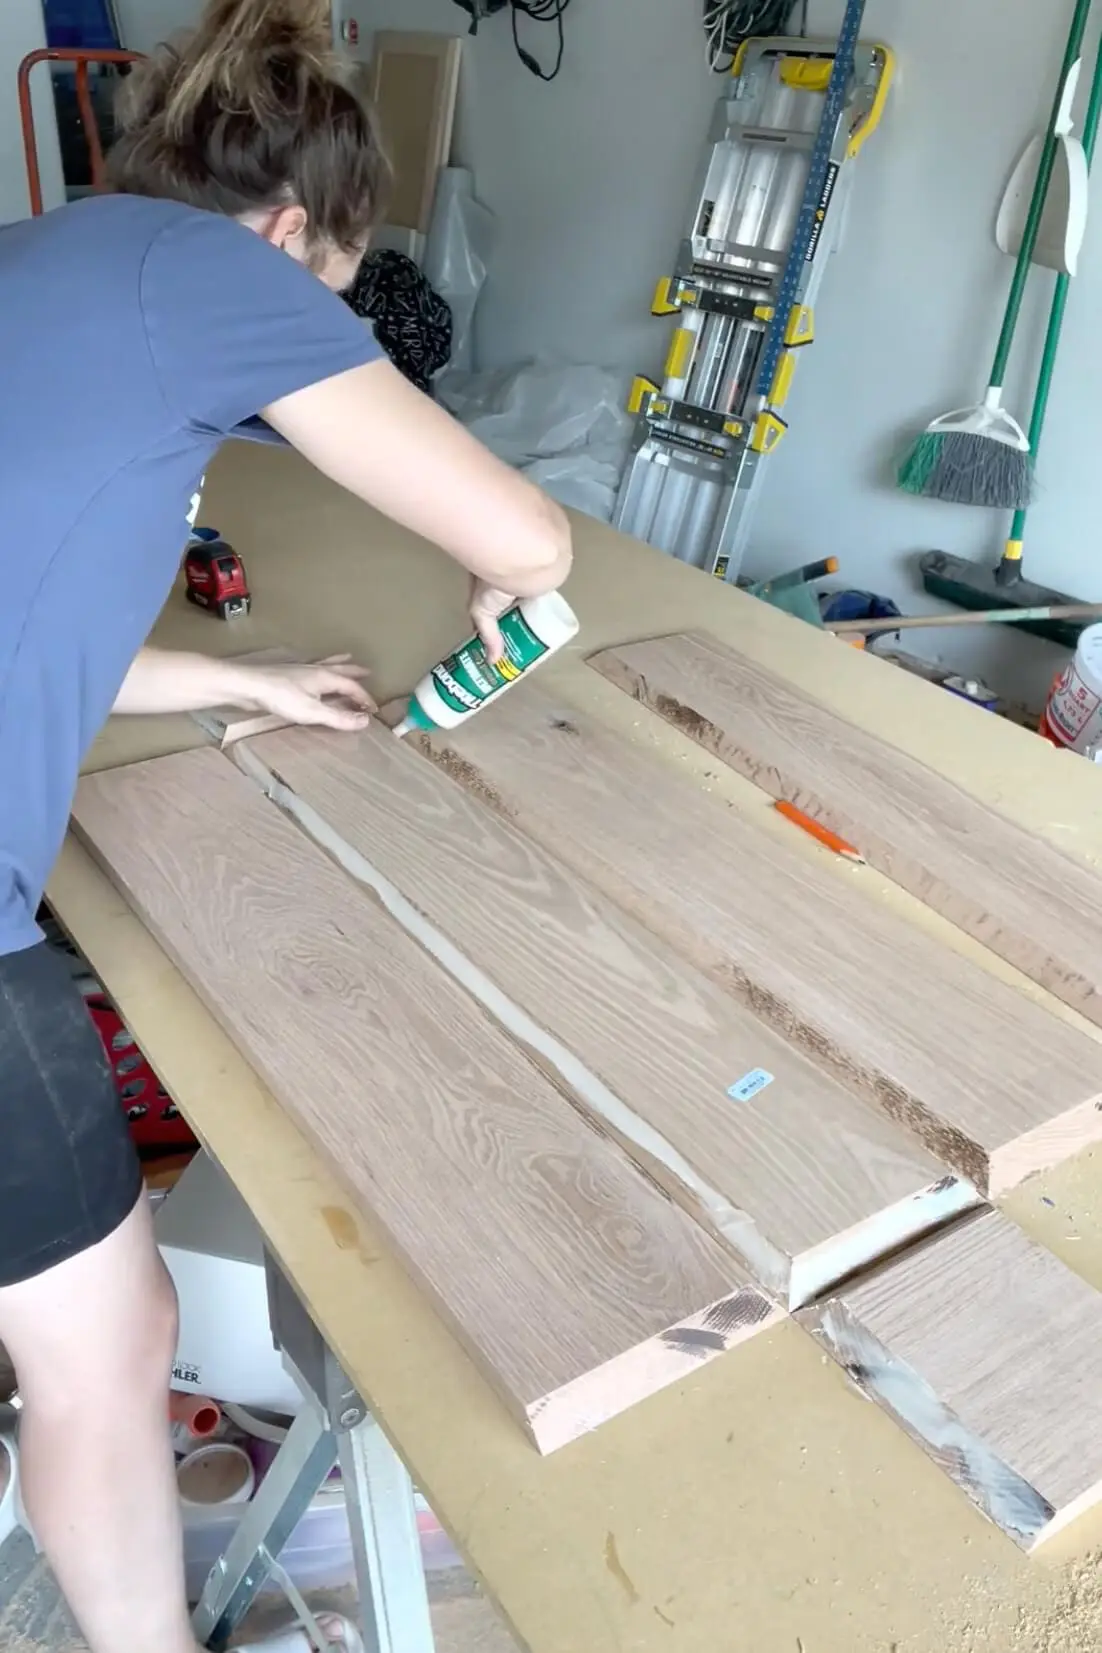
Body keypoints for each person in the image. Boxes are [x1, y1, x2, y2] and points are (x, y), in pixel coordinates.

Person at [0, 2, 572, 1649]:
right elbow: (523, 534)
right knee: (107, 1348)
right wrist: (511, 577)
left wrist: (226, 684)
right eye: (323, 286)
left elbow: (32, 601)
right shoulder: (222, 281)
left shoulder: (42, 258)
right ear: (283, 234)